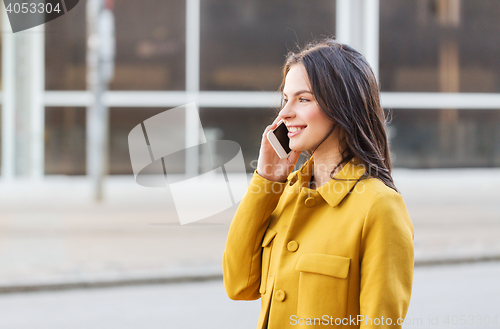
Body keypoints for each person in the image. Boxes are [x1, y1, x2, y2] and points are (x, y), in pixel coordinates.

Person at [222, 38, 414, 329]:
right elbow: (238, 284)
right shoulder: (285, 192)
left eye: (303, 99)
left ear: (342, 105)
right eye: (285, 99)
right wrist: (267, 180)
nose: (285, 113)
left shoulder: (378, 206)